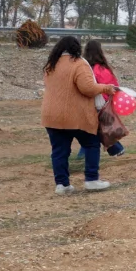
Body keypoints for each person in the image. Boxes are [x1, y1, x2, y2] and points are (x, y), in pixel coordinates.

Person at [41, 36, 118, 194]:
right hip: (75, 115)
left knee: (59, 151)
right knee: (91, 144)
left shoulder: (51, 64)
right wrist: (106, 88)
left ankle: (62, 185)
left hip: (51, 116)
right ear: (76, 48)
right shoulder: (79, 64)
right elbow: (87, 88)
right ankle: (91, 179)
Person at [78, 40, 125, 158]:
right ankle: (116, 149)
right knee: (100, 129)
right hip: (101, 103)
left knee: (91, 130)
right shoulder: (102, 69)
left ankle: (83, 154)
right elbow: (113, 86)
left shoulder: (84, 68)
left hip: (86, 103)